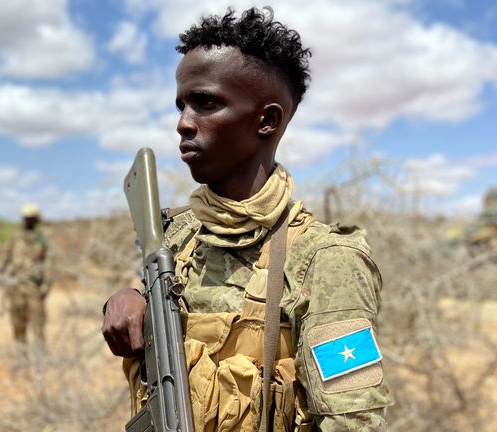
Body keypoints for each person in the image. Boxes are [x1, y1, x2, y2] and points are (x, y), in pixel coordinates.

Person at [102, 7, 392, 431]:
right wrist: (126, 299)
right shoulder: (178, 237)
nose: (183, 123)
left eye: (206, 103)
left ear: (267, 120)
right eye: (182, 105)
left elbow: (354, 421)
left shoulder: (325, 261)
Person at [0, 203, 51, 346]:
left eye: (30, 217)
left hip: (34, 287)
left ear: (36, 219)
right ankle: (21, 356)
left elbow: (48, 261)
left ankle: (41, 357)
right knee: (17, 323)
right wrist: (0, 274)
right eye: (25, 217)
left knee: (38, 323)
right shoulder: (15, 236)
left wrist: (46, 284)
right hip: (16, 287)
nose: (27, 220)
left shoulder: (43, 238)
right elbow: (6, 256)